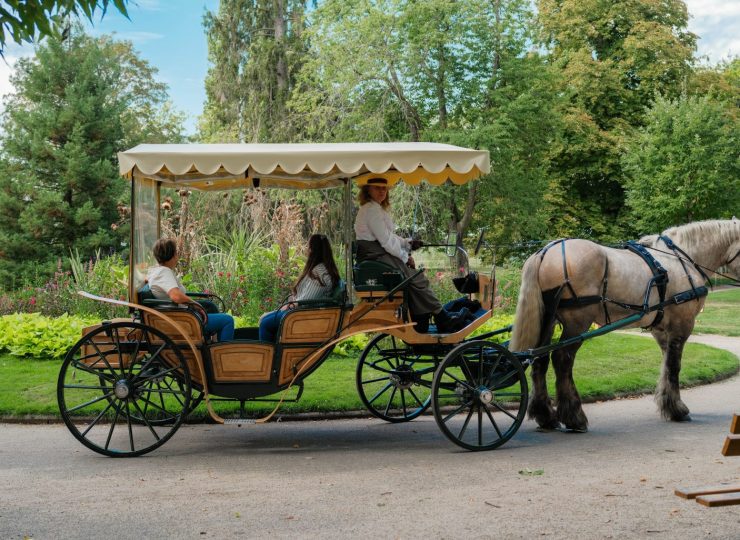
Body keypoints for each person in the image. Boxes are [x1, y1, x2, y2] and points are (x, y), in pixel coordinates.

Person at [354, 177, 469, 333]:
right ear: (368, 190)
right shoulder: (371, 210)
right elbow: (386, 241)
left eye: (384, 188)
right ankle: (442, 317)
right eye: (377, 188)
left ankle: (426, 317)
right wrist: (404, 257)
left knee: (413, 280)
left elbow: (389, 237)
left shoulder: (375, 208)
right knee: (417, 278)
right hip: (376, 255)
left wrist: (407, 243)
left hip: (376, 253)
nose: (382, 191)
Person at [147, 238, 235, 342]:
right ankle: (223, 354)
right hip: (181, 319)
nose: (177, 257)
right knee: (228, 320)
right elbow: (176, 296)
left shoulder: (157, 271)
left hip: (179, 314)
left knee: (211, 307)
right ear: (172, 255)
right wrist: (195, 304)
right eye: (176, 253)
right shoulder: (164, 272)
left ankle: (212, 347)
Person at [259, 234, 341, 342]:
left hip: (303, 315)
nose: (307, 250)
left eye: (308, 247)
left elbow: (306, 300)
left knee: (265, 322)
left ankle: (269, 356)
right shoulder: (318, 270)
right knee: (264, 318)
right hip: (300, 312)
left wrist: (288, 306)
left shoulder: (321, 274)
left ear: (313, 250)